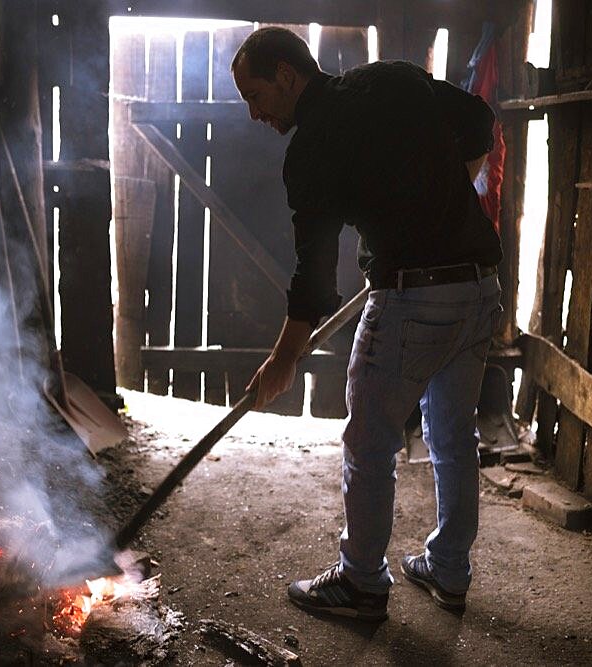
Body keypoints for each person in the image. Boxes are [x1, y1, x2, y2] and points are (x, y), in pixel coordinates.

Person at [232, 27, 503, 620]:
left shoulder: (310, 150)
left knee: (369, 440)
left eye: (255, 95)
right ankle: (450, 570)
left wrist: (283, 358)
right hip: (478, 288)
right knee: (454, 436)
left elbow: (314, 276)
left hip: (410, 298)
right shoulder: (394, 79)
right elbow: (480, 120)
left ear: (286, 75)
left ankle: (360, 582)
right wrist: (448, 196)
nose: (254, 113)